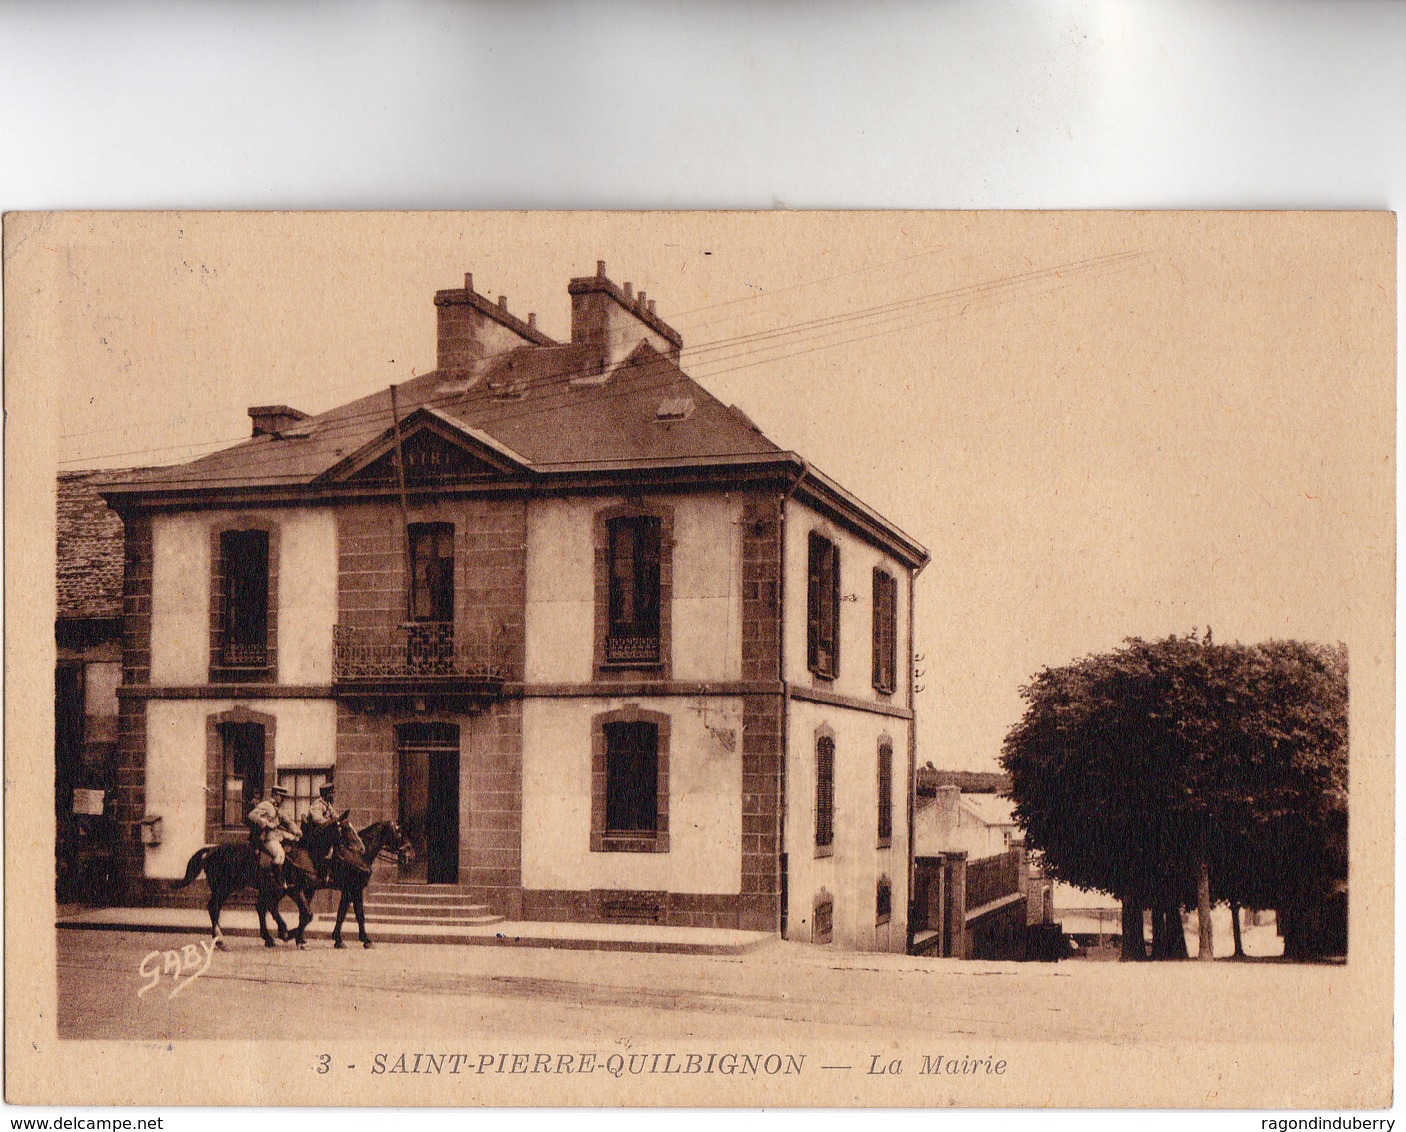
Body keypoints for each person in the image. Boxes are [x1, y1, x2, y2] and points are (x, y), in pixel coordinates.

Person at [247, 784, 298, 873]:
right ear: (274, 795)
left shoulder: (279, 808)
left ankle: (285, 878)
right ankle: (274, 880)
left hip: (276, 837)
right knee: (279, 855)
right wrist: (267, 823)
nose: (282, 799)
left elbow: (288, 822)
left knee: (288, 851)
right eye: (281, 796)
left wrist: (297, 831)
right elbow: (252, 815)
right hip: (266, 838)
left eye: (283, 797)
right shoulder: (266, 805)